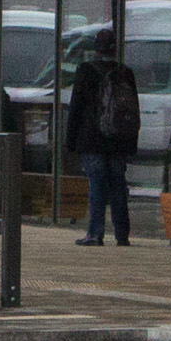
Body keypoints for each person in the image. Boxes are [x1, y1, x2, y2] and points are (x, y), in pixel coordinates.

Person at [63, 49, 142, 247]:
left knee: (96, 184)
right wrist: (132, 141)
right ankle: (122, 234)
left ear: (96, 50)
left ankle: (95, 233)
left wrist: (71, 140)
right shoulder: (125, 72)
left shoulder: (86, 70)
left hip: (92, 138)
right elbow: (133, 110)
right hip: (119, 140)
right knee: (117, 185)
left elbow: (76, 107)